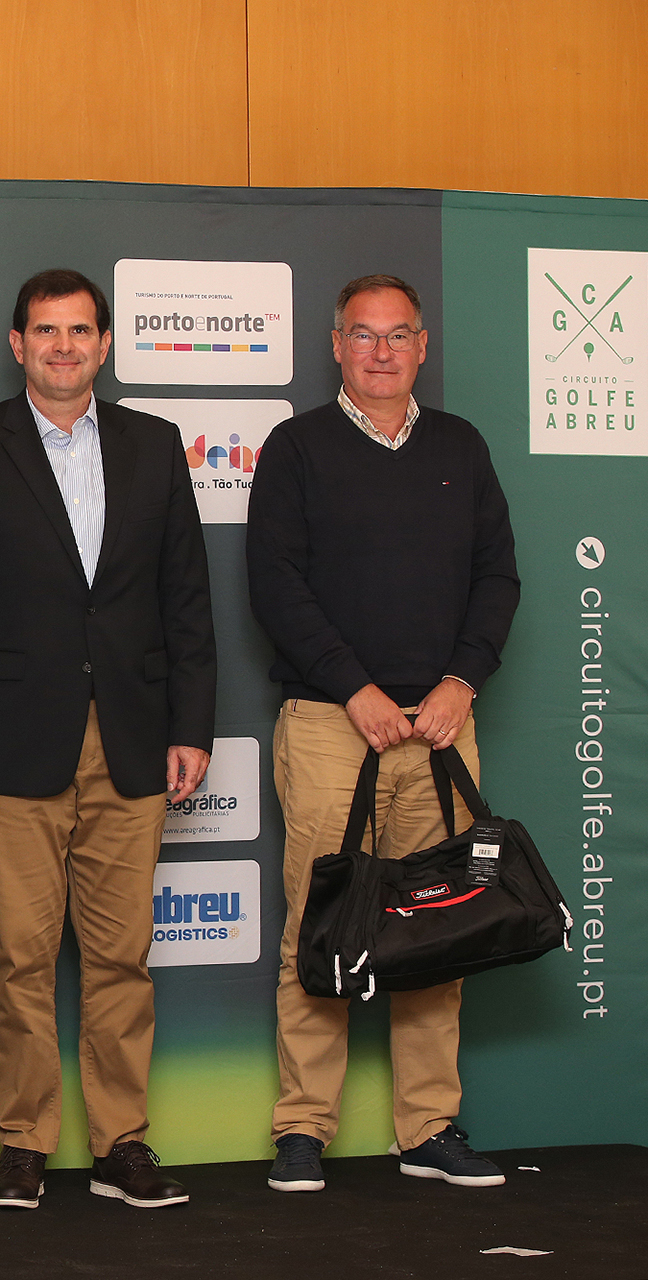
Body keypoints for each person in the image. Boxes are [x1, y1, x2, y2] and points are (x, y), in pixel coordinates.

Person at [0, 269, 216, 1210]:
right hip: (8, 743)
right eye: (46, 331)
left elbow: (186, 597)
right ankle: (23, 1144)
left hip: (131, 735)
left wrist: (191, 725)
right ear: (17, 344)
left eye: (80, 330)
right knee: (20, 961)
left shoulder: (154, 445)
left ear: (105, 344)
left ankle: (123, 1142)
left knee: (122, 959)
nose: (64, 346)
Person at [248, 274, 520, 1193]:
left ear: (422, 346)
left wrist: (461, 681)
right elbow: (276, 584)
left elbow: (498, 578)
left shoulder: (461, 446)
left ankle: (428, 1129)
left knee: (439, 927)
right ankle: (302, 1128)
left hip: (441, 728)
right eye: (362, 335)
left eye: (398, 334)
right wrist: (353, 687)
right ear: (336, 346)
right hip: (333, 725)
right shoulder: (296, 448)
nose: (381, 351)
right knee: (321, 924)